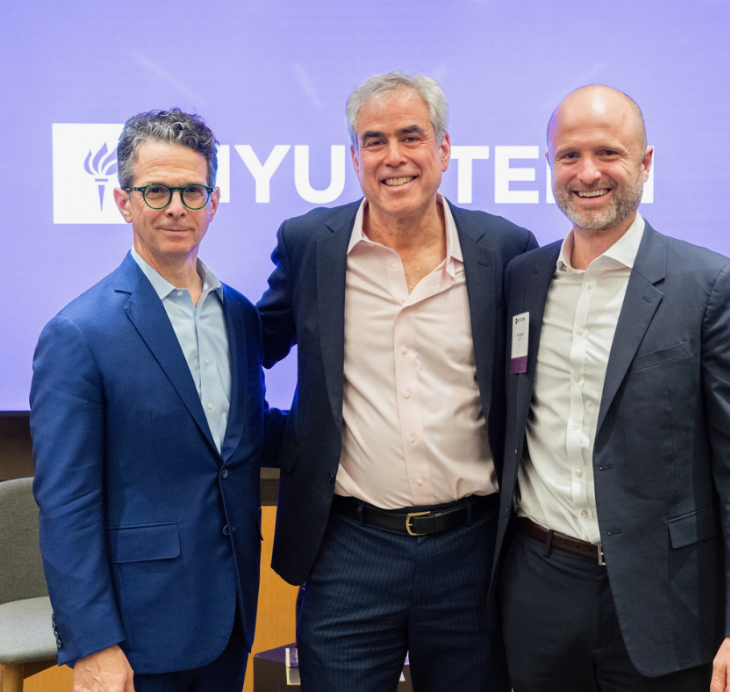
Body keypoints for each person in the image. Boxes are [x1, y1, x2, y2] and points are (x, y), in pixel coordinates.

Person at [492, 85, 730, 692]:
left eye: (608, 153)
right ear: (549, 165)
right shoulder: (522, 278)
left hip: (666, 603)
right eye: (569, 155)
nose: (587, 172)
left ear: (646, 163)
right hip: (538, 598)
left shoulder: (710, 286)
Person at [257, 72, 537, 692]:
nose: (393, 157)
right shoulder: (310, 245)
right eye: (373, 141)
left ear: (442, 149)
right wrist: (287, 438)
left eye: (411, 137)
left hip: (472, 550)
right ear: (355, 157)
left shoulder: (506, 249)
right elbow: (251, 348)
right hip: (349, 548)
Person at [30, 109, 282, 692]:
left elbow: (239, 435)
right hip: (137, 632)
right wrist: (92, 642)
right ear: (124, 201)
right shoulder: (78, 333)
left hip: (231, 607)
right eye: (156, 191)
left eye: (192, 191)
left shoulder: (240, 315)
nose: (176, 207)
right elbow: (66, 504)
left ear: (213, 202)